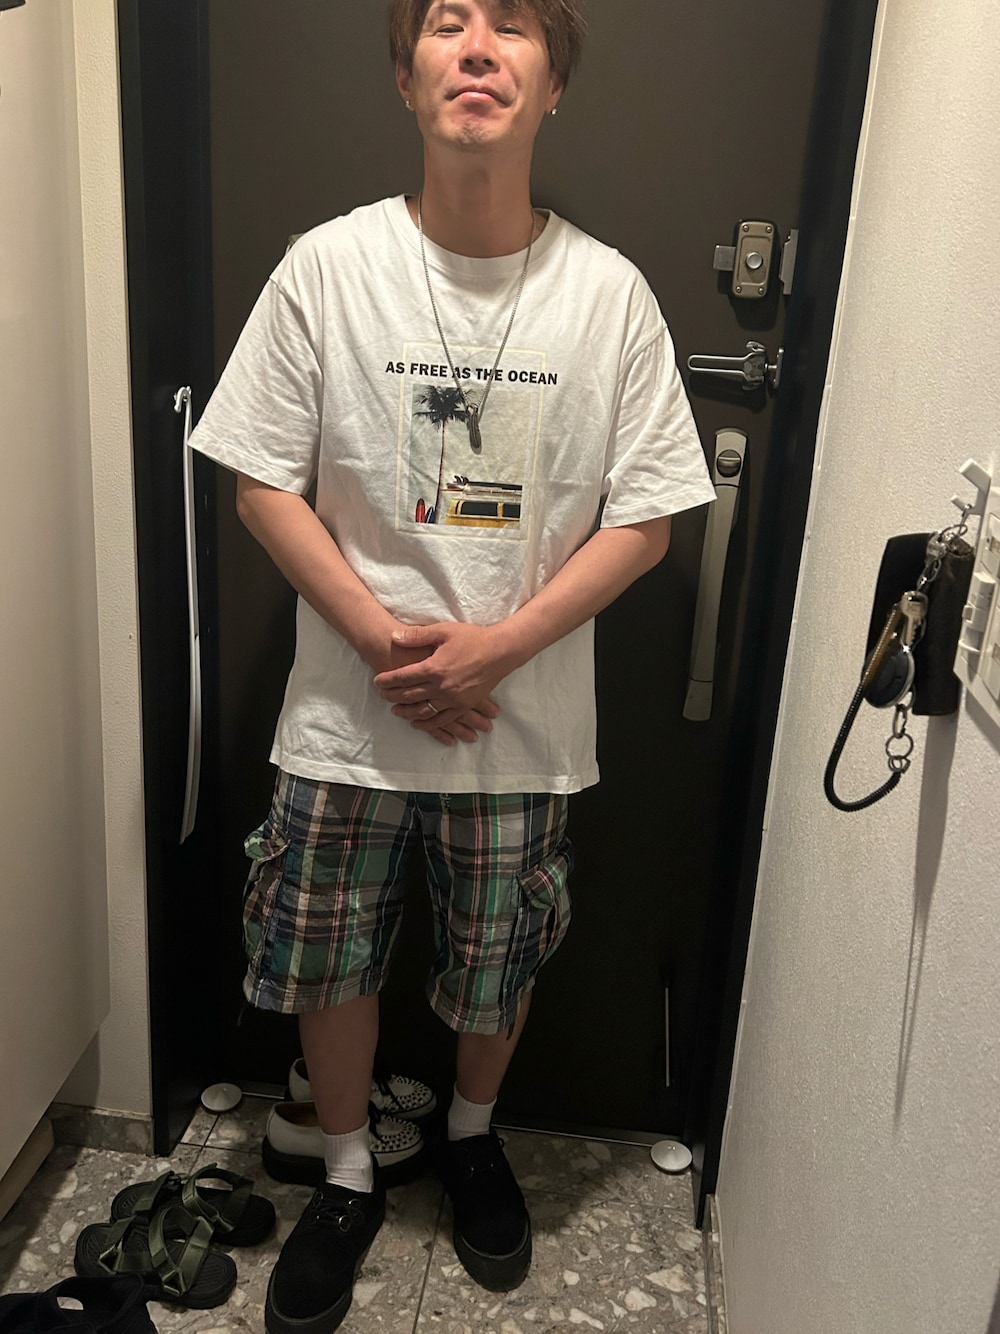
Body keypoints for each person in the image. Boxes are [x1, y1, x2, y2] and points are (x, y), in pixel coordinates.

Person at [189, 1, 715, 1330]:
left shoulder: (608, 295)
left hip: (519, 720)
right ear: (407, 74)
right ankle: (347, 1170)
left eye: (513, 26)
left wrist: (497, 647)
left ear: (554, 85)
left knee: (499, 953)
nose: (477, 48)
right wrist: (384, 642)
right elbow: (258, 476)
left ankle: (473, 1139)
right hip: (345, 715)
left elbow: (651, 515)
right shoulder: (328, 268)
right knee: (329, 956)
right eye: (445, 22)